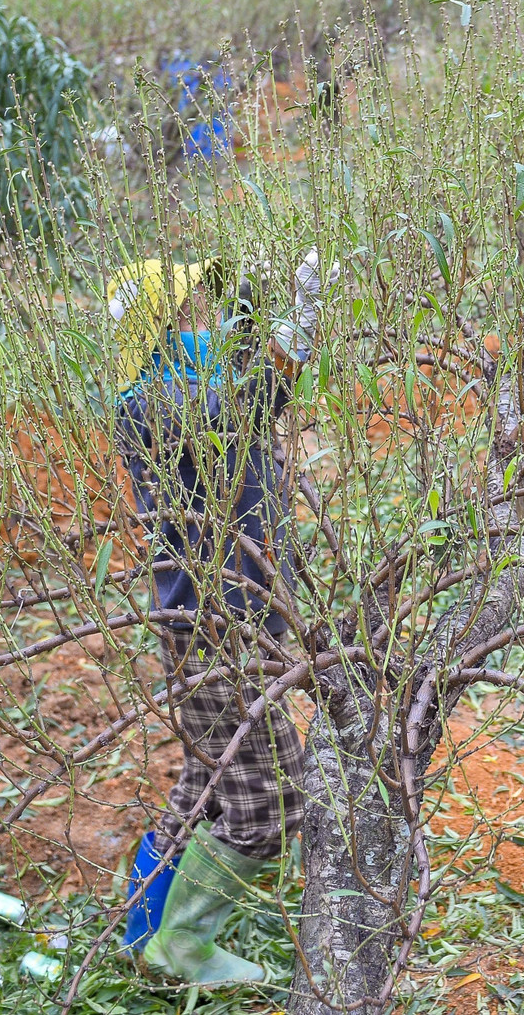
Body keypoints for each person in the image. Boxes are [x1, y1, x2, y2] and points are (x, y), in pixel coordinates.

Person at [106, 249, 323, 986]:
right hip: (213, 633)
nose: (206, 319)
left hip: (228, 626)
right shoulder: (149, 403)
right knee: (269, 805)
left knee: (206, 781)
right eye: (189, 309)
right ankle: (184, 946)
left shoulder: (182, 378)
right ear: (160, 332)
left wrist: (264, 294)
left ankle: (143, 925)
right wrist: (297, 332)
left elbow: (234, 356)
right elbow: (247, 401)